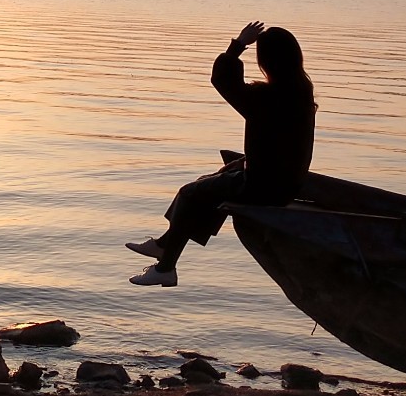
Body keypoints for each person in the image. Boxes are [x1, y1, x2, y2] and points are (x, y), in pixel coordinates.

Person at [126, 20, 316, 287]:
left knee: (190, 192)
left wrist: (237, 46)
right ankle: (165, 245)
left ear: (267, 61)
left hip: (265, 186)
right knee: (212, 181)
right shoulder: (301, 92)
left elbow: (222, 79)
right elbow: (281, 143)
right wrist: (242, 163)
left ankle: (166, 265)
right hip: (285, 183)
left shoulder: (267, 98)